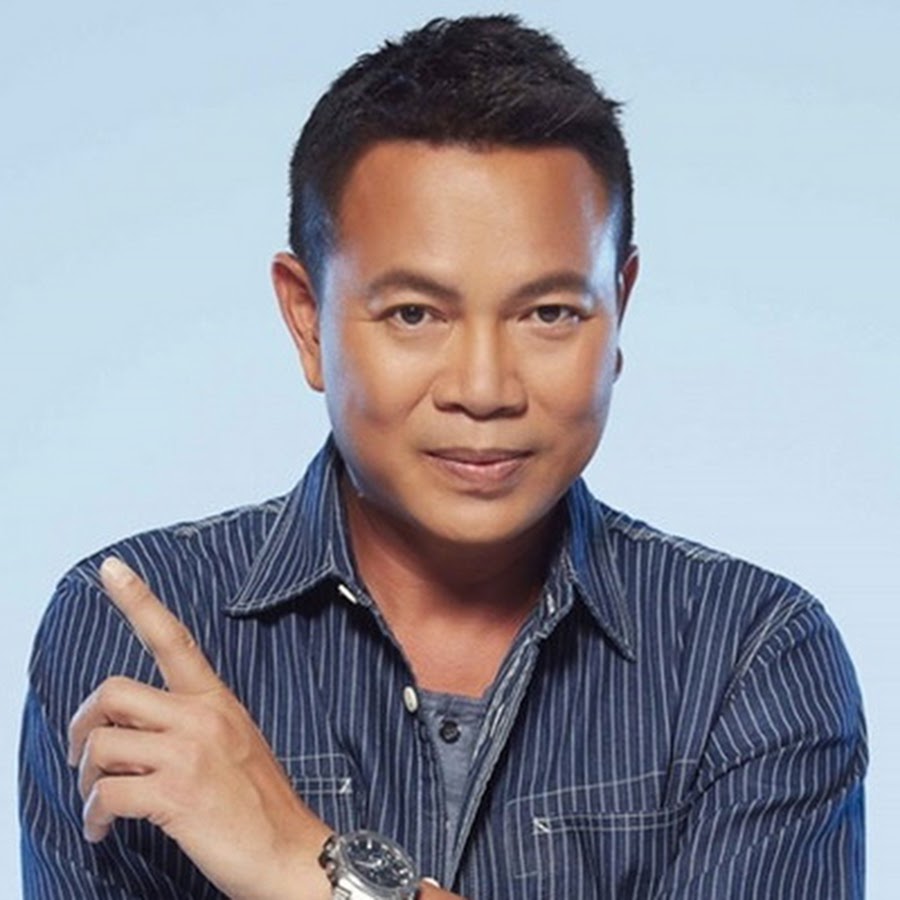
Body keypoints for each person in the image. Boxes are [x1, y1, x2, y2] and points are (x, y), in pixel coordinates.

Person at [19, 14, 866, 899]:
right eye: (414, 315)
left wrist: (300, 866)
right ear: (306, 319)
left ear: (619, 307)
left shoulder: (752, 656)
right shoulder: (127, 645)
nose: (483, 387)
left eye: (549, 314)